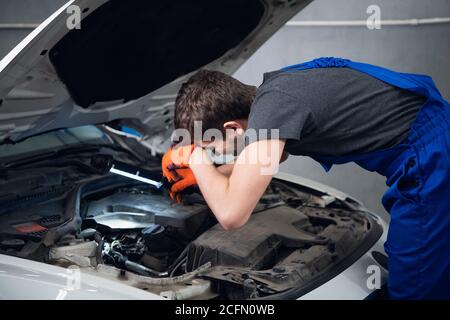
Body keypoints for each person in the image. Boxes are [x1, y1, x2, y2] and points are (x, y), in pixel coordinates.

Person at [161, 57, 450, 299]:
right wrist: (211, 176)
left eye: (213, 148)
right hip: (432, 138)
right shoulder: (275, 94)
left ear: (233, 128)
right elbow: (270, 157)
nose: (213, 156)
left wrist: (196, 160)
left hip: (431, 157)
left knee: (416, 283)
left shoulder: (272, 112)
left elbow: (232, 215)